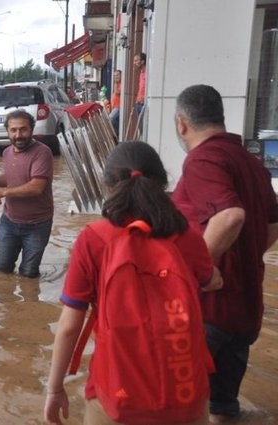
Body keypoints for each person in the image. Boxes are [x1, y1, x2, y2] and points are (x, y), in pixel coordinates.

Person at [44, 141, 222, 425]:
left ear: (108, 185)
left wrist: (54, 389)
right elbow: (210, 280)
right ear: (163, 183)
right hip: (185, 395)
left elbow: (69, 326)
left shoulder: (94, 238)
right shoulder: (186, 236)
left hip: (117, 396)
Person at [171, 84, 278, 423]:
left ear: (181, 123)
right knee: (222, 408)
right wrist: (243, 255)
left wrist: (197, 273)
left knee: (170, 406)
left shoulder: (202, 160)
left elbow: (230, 216)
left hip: (209, 311)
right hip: (245, 309)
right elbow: (273, 225)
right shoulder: (251, 163)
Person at [0, 110, 53, 278]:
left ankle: (29, 304)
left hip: (37, 225)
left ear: (32, 129)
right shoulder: (7, 152)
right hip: (9, 222)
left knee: (29, 274)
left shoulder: (43, 152)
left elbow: (36, 186)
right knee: (1, 270)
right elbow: (12, 178)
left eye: (23, 129)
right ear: (7, 131)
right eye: (13, 130)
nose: (18, 135)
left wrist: (2, 192)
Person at [108, 70, 121, 138]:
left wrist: (115, 83)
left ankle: (115, 135)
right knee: (115, 121)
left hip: (118, 106)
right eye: (115, 75)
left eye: (117, 75)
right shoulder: (116, 84)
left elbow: (117, 92)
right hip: (114, 106)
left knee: (110, 118)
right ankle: (117, 134)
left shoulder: (121, 84)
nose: (116, 77)